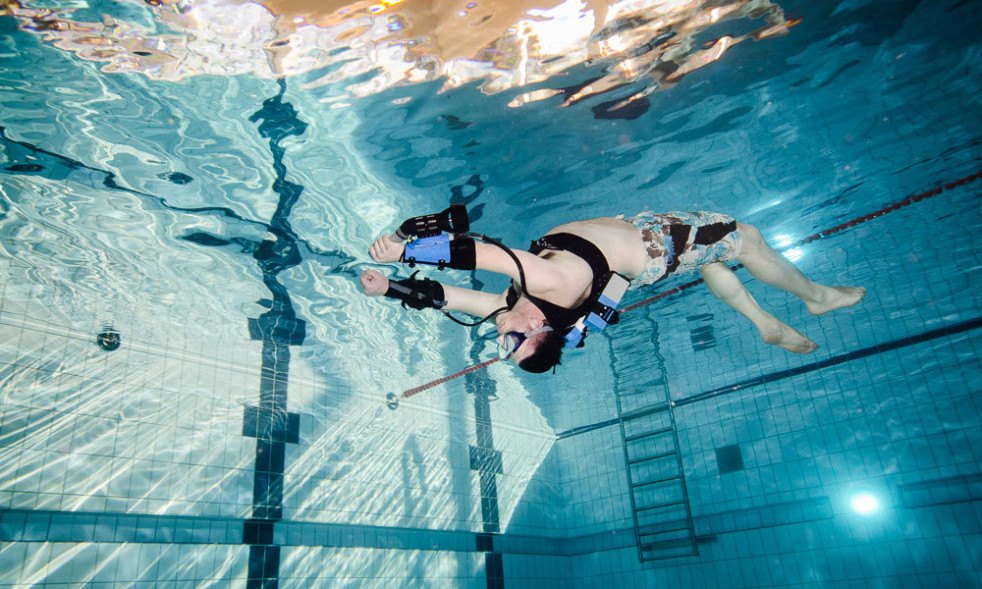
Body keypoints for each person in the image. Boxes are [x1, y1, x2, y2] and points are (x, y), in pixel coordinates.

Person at [360, 210, 865, 373]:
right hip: (658, 243)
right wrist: (405, 250)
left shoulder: (516, 307)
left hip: (638, 260)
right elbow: (482, 255)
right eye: (512, 344)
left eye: (504, 348)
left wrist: (389, 288)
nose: (500, 338)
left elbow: (447, 299)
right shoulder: (550, 287)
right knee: (746, 239)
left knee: (711, 261)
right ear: (537, 328)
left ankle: (766, 323)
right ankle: (817, 298)